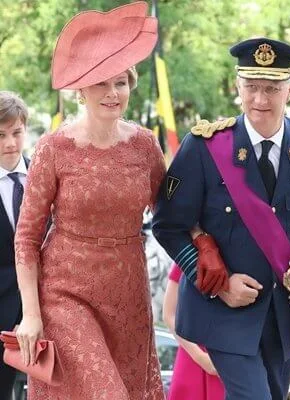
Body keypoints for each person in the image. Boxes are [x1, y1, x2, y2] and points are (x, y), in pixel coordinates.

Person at [152, 37, 290, 400]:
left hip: (284, 312)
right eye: (251, 87)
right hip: (224, 311)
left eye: (271, 88)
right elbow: (168, 225)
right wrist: (218, 284)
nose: (260, 100)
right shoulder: (205, 145)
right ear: (238, 86)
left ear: (289, 89)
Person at [13, 3, 165, 398]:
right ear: (80, 89)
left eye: (120, 83)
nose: (112, 94)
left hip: (128, 293)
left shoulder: (146, 146)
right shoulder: (54, 148)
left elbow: (171, 214)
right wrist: (31, 314)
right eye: (100, 83)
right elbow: (27, 237)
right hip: (66, 292)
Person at [0, 91, 28, 400]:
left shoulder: (44, 175)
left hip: (48, 311)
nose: (10, 143)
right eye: (1, 135)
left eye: (17, 132)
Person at [163, 262, 224, 400]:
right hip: (193, 356)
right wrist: (200, 357)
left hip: (232, 354)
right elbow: (169, 314)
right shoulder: (186, 255)